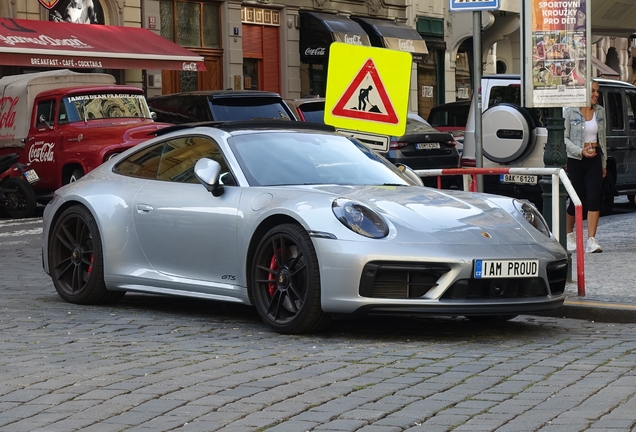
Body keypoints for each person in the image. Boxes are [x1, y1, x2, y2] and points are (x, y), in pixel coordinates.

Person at [564, 79, 606, 253]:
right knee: (576, 199)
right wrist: (580, 151)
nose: (596, 95)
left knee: (593, 198)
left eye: (597, 92)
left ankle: (591, 240)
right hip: (575, 159)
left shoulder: (600, 111)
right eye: (593, 91)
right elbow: (564, 138)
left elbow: (603, 140)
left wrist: (604, 163)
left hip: (594, 158)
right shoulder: (570, 111)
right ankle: (568, 234)